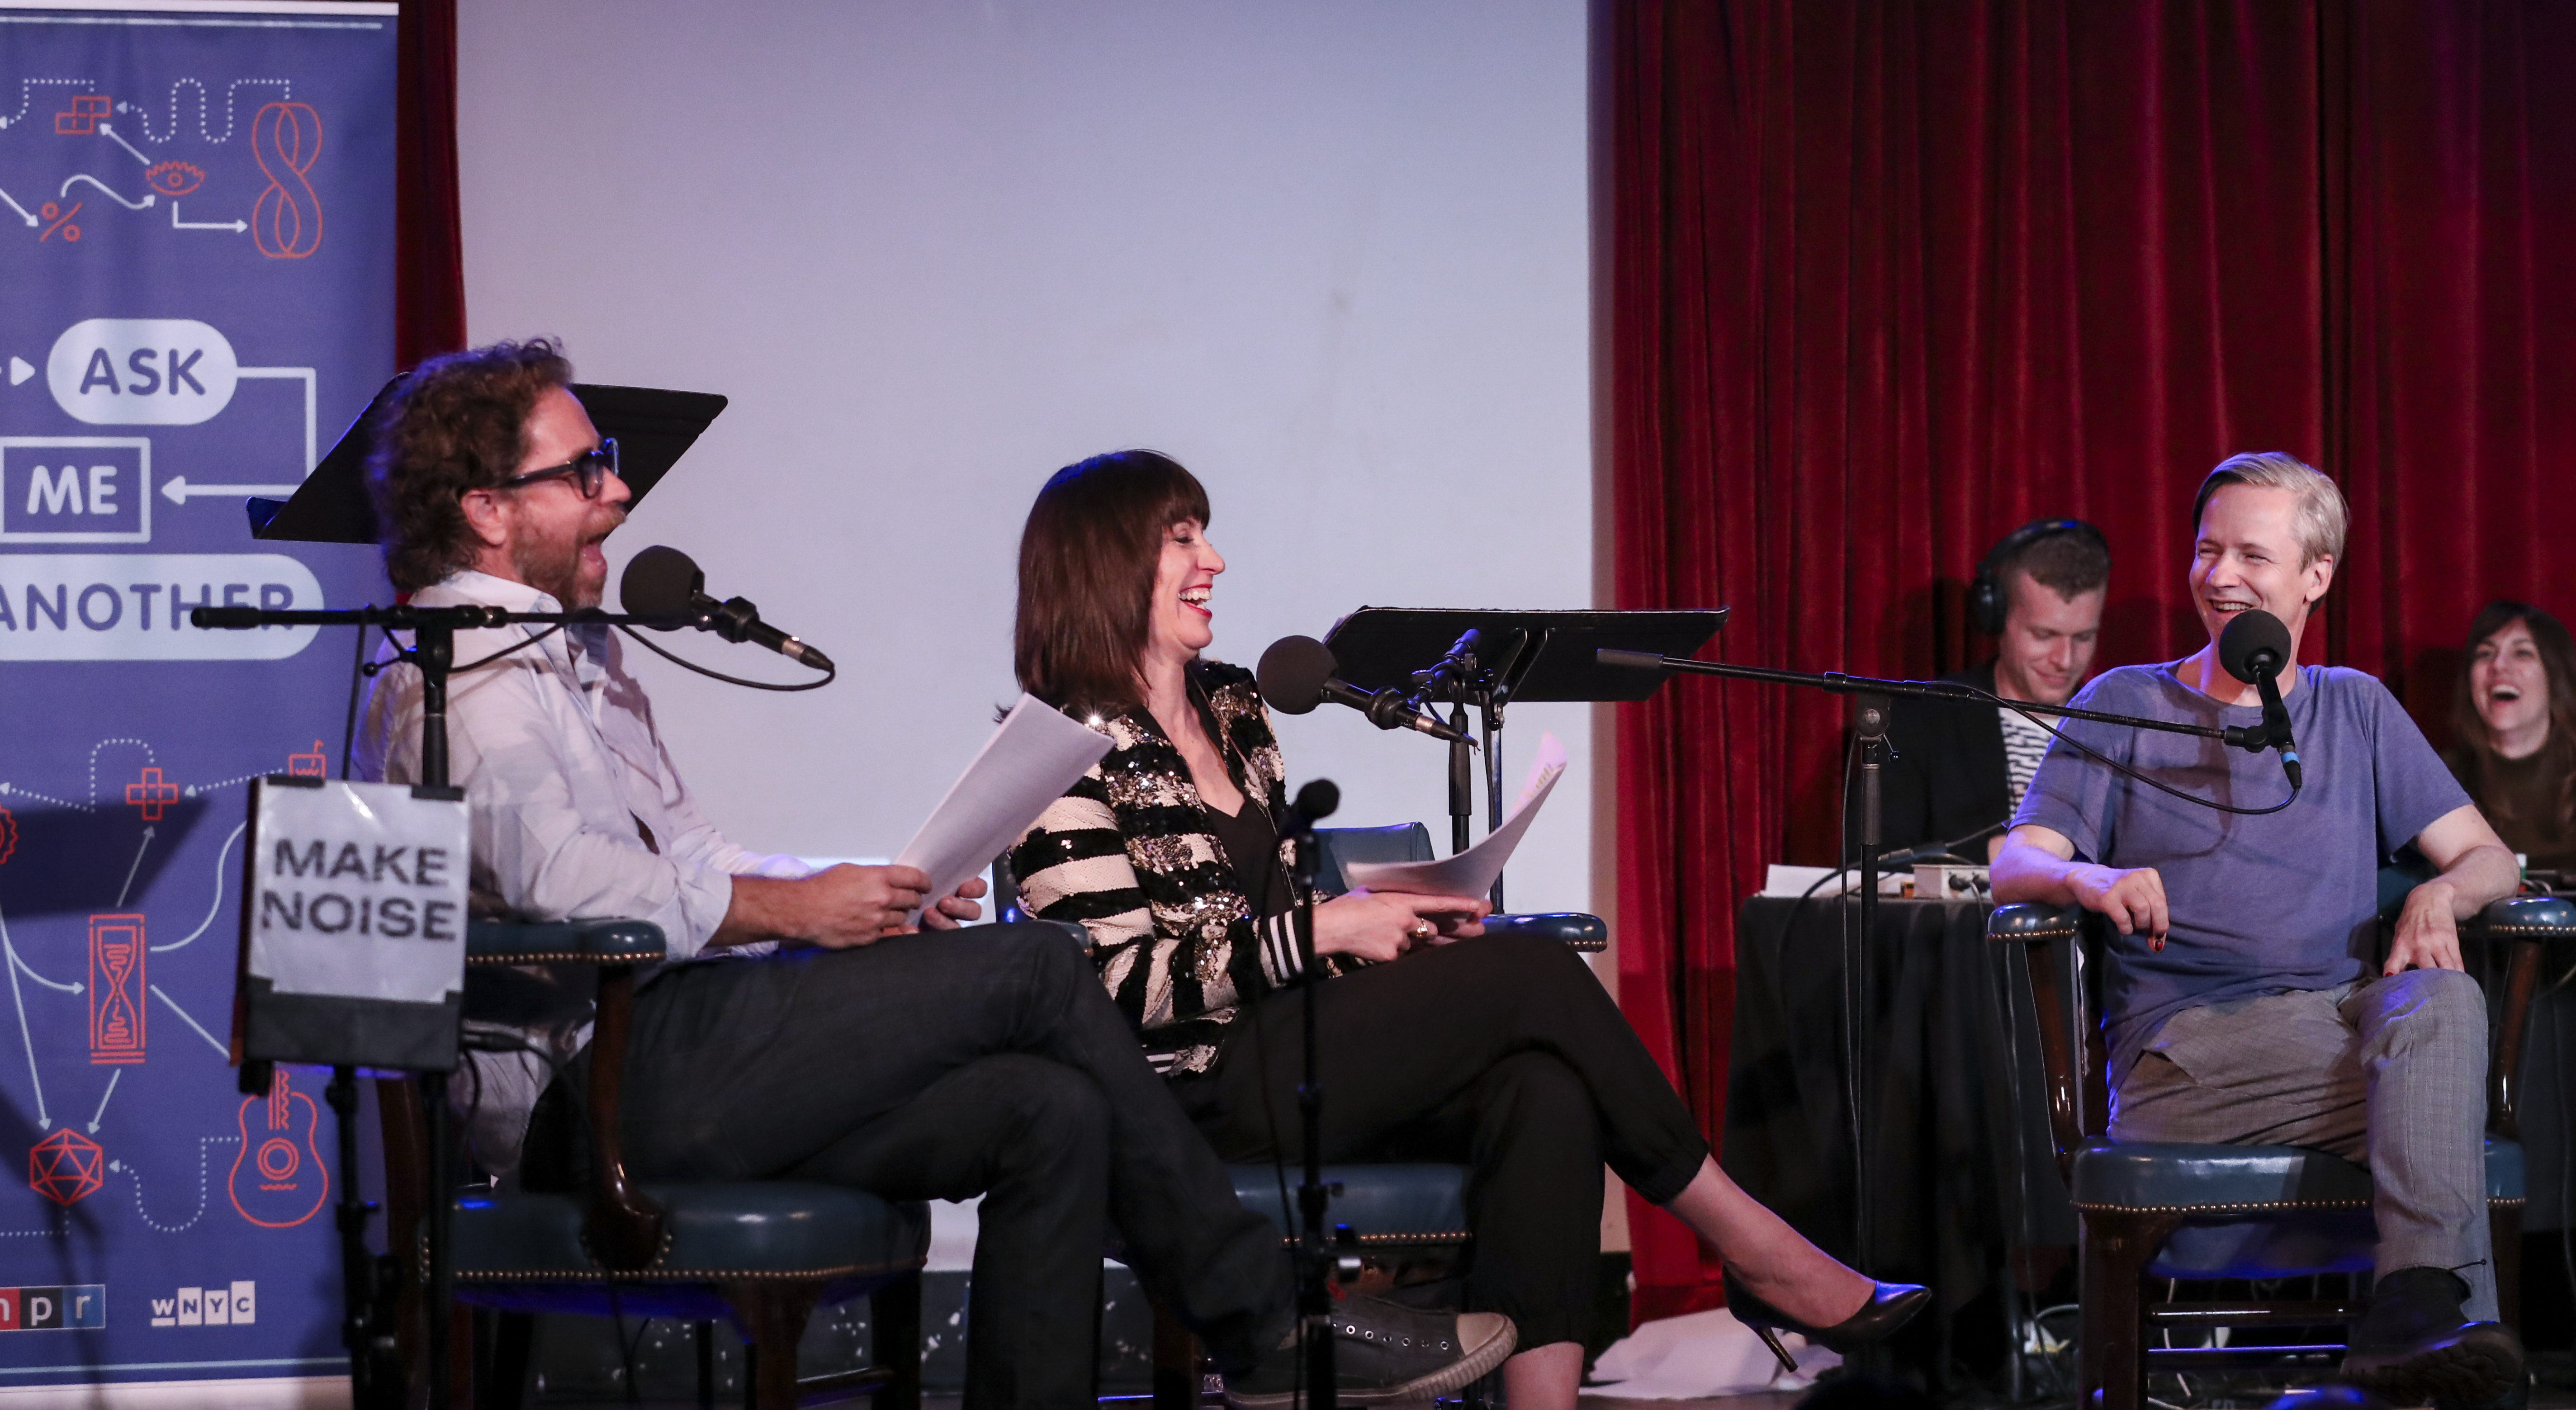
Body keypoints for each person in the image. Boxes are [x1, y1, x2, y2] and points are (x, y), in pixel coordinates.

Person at [365, 342, 1513, 1410]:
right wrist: (792, 910)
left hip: (686, 1057)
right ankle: (1264, 1330)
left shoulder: (574, 654)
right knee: (1029, 962)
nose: (619, 491)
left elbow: (688, 857)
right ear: (489, 511)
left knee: (1044, 1107)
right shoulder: (460, 666)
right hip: (595, 1094)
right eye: (586, 469)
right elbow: (568, 884)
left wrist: (868, 887)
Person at [1004, 450, 1927, 1410]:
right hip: (1183, 1097)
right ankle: (1755, 1248)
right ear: (1105, 562)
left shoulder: (1235, 711)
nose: (1216, 561)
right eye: (1183, 537)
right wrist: (1322, 932)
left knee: (1544, 1087)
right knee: (1530, 972)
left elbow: (1268, 930)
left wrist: (1394, 935)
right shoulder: (1056, 749)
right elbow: (1110, 990)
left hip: (1286, 1053)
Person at [1990, 452, 2526, 1408]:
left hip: (2339, 1026)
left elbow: (2490, 860)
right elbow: (2011, 861)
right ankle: (2439, 1343)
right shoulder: (2123, 700)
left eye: (2250, 554)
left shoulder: (2353, 707)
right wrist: (2086, 871)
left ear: (2314, 576)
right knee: (2436, 1107)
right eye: (2205, 550)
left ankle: (2411, 1310)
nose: (2219, 575)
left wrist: (2437, 896)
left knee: (2444, 998)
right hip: (2185, 1054)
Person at [1880, 520, 2110, 856]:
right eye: (2044, 636)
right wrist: (2003, 856)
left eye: (2084, 637)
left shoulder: (2113, 726)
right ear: (1997, 618)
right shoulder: (1924, 718)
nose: (2065, 660)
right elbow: (1871, 865)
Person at [2448, 600, 2576, 873]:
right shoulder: (2439, 783)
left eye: (2522, 653)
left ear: (2557, 677)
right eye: (2485, 654)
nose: (2499, 666)